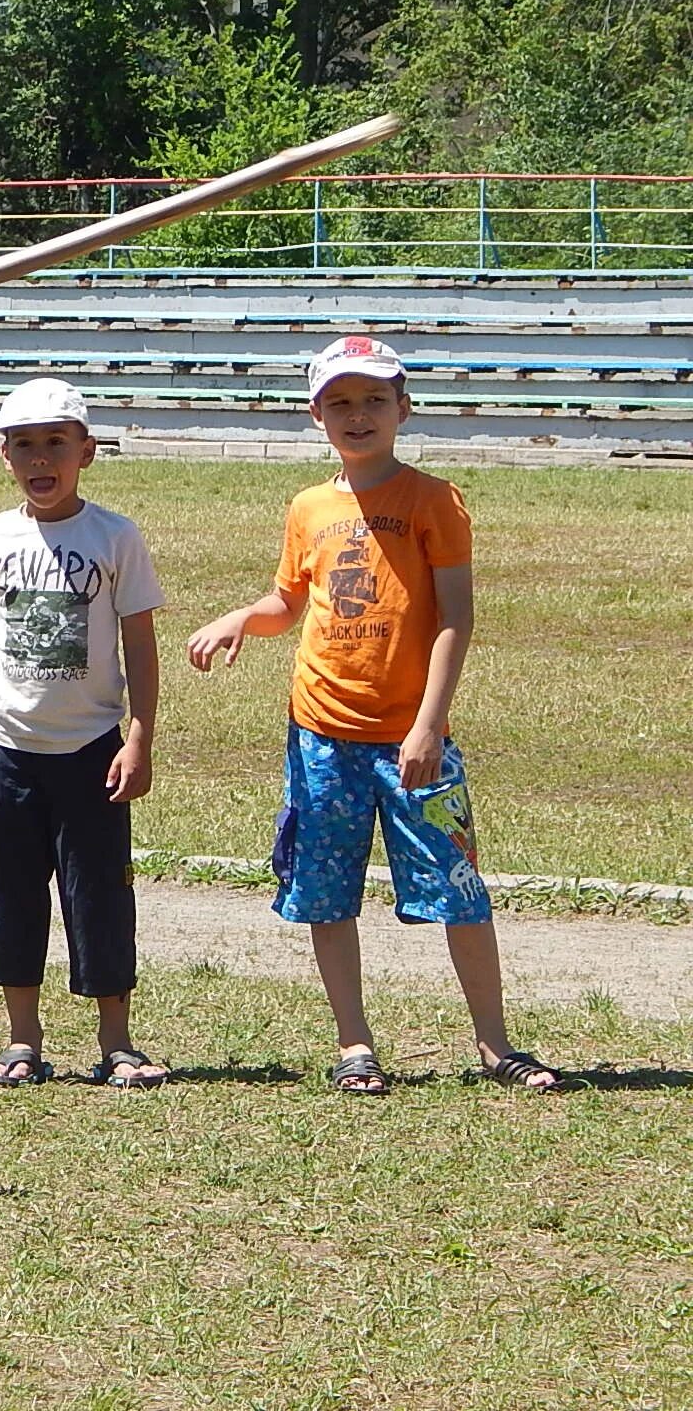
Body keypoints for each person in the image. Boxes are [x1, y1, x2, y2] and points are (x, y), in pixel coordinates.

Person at [187, 336, 561, 1096]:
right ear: (317, 414)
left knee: (458, 889)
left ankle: (495, 1044)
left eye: (374, 400)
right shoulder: (309, 506)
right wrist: (240, 618)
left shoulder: (433, 500)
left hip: (411, 738)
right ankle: (354, 1044)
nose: (358, 415)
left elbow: (455, 617)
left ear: (403, 408)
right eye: (341, 402)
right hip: (321, 731)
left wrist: (428, 724)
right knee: (328, 893)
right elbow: (290, 602)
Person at [0, 379, 166, 1088]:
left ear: (87, 452)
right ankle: (21, 1039)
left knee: (99, 891)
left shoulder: (114, 536)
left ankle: (117, 1041)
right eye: (24, 446)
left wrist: (141, 736)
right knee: (10, 890)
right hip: (10, 749)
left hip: (93, 749)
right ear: (3, 455)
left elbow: (140, 641)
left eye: (56, 444)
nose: (41, 460)